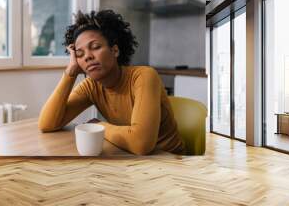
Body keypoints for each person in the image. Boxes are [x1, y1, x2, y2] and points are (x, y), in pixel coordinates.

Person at [38, 10, 184, 155]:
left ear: (114, 50)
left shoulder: (144, 76)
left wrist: (99, 126)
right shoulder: (91, 86)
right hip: (129, 158)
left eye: (95, 47)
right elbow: (47, 124)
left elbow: (141, 144)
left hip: (170, 161)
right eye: (79, 54)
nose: (87, 56)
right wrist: (70, 73)